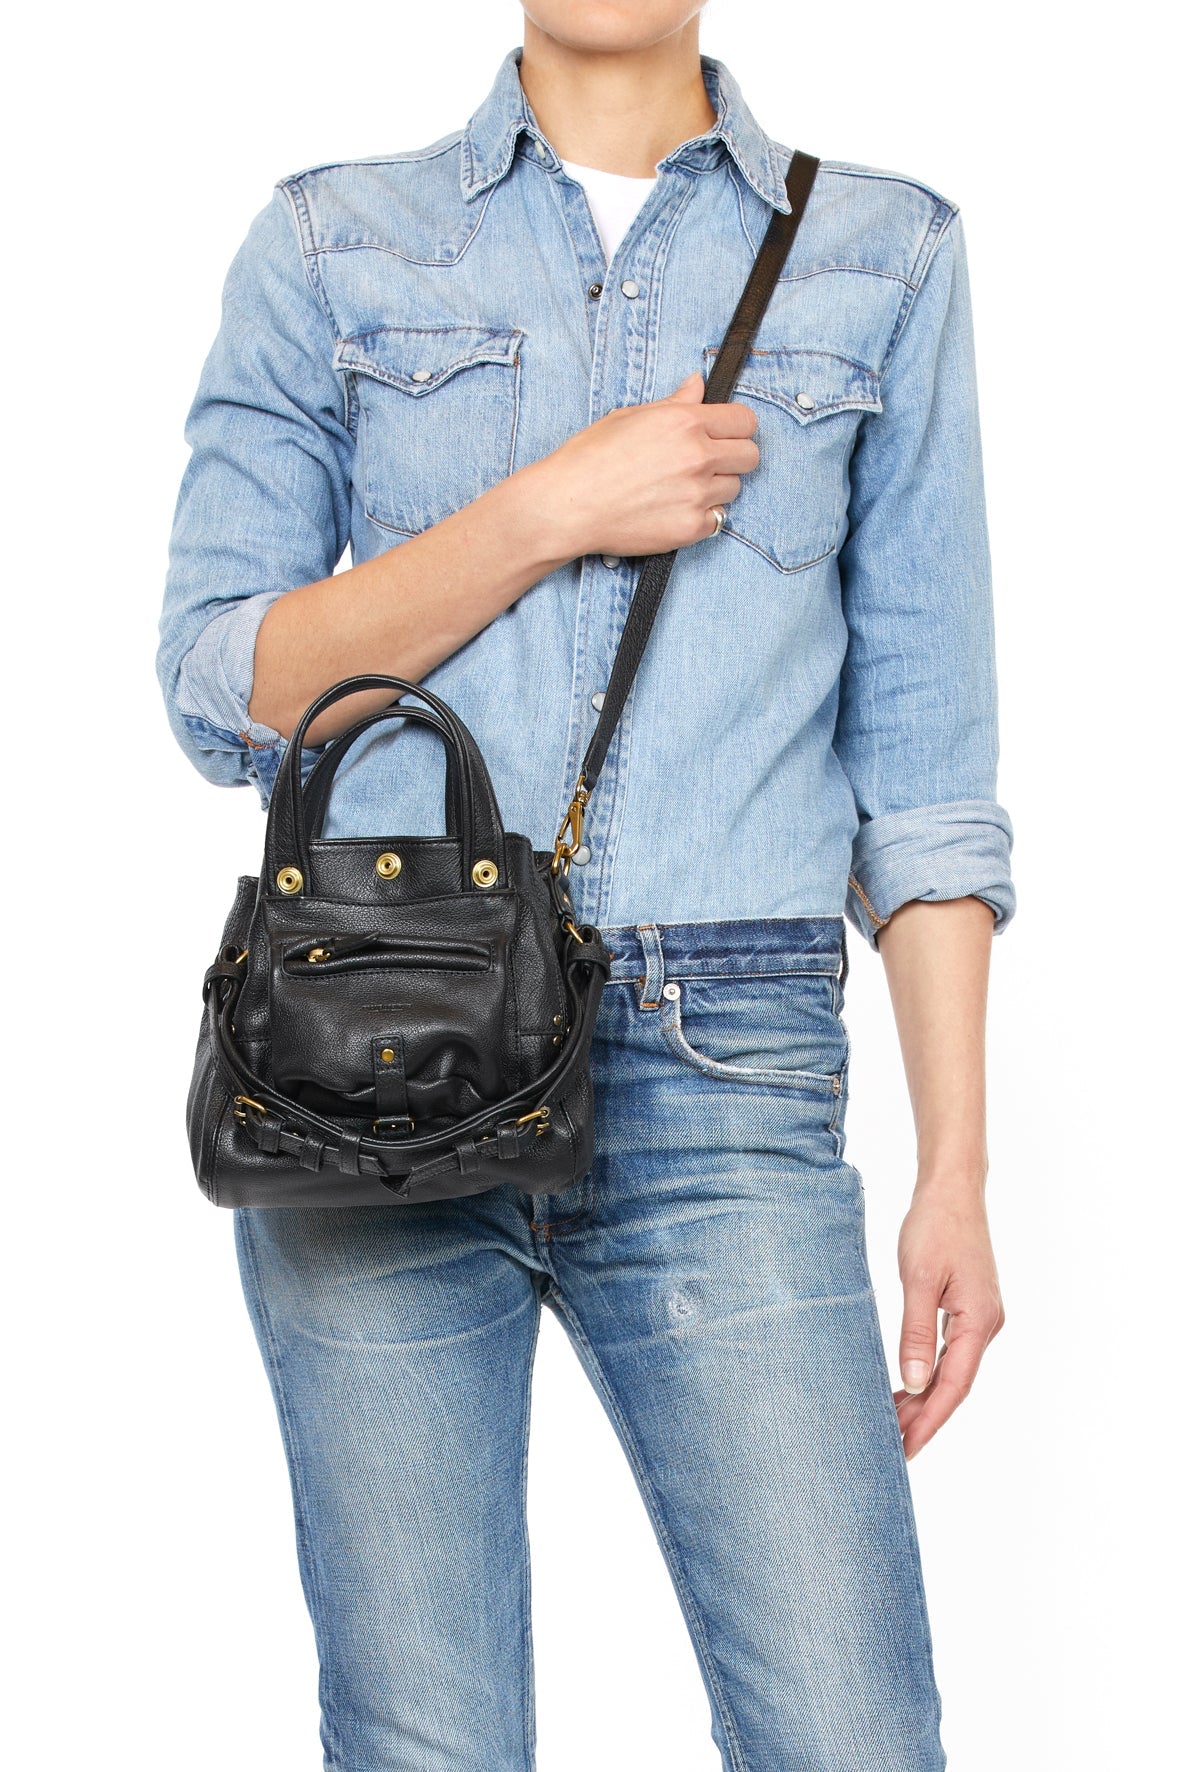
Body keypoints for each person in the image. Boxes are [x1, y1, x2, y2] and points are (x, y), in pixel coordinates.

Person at [156, 5, 1014, 1767]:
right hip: (371, 1058)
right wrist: (542, 509)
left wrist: (956, 1169)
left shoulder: (885, 254)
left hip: (730, 1060)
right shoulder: (329, 239)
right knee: (425, 1739)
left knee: (850, 1733)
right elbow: (223, 686)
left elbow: (924, 775)